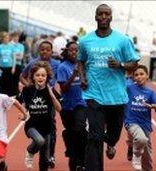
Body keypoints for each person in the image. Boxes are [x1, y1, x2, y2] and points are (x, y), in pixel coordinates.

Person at [77, 4, 139, 171]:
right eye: (100, 14)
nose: (104, 16)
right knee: (94, 137)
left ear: (111, 17)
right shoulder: (85, 41)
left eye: (107, 14)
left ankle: (111, 143)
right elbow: (81, 61)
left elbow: (134, 64)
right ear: (95, 17)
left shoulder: (123, 40)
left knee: (113, 135)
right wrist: (82, 78)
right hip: (94, 95)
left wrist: (120, 64)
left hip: (117, 96)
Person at [20, 40, 60, 168]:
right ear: (34, 76)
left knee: (44, 157)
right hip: (32, 125)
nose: (41, 77)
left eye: (43, 75)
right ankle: (30, 151)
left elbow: (59, 108)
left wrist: (52, 94)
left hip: (47, 125)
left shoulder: (56, 66)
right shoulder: (28, 89)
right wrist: (23, 113)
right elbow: (18, 101)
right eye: (38, 75)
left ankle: (50, 157)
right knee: (39, 141)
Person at [124, 65, 156, 171]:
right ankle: (135, 156)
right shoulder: (129, 88)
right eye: (136, 75)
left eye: (141, 74)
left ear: (147, 76)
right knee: (141, 139)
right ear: (133, 77)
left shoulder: (150, 93)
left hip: (145, 124)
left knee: (147, 155)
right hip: (131, 121)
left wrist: (153, 106)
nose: (139, 77)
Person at [57, 41, 87, 171]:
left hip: (81, 103)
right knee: (71, 133)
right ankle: (71, 152)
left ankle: (81, 160)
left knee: (80, 129)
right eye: (71, 50)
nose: (74, 52)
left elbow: (87, 83)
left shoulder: (84, 66)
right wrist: (74, 75)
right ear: (66, 52)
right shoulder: (62, 67)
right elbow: (63, 89)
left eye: (77, 50)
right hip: (67, 106)